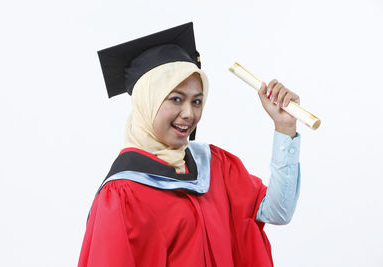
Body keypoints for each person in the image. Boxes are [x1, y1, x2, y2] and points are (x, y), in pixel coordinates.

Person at [78, 22, 301, 267]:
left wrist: (285, 129)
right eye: (175, 99)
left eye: (197, 101)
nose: (188, 113)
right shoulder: (122, 194)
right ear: (146, 102)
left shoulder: (214, 165)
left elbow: (278, 211)